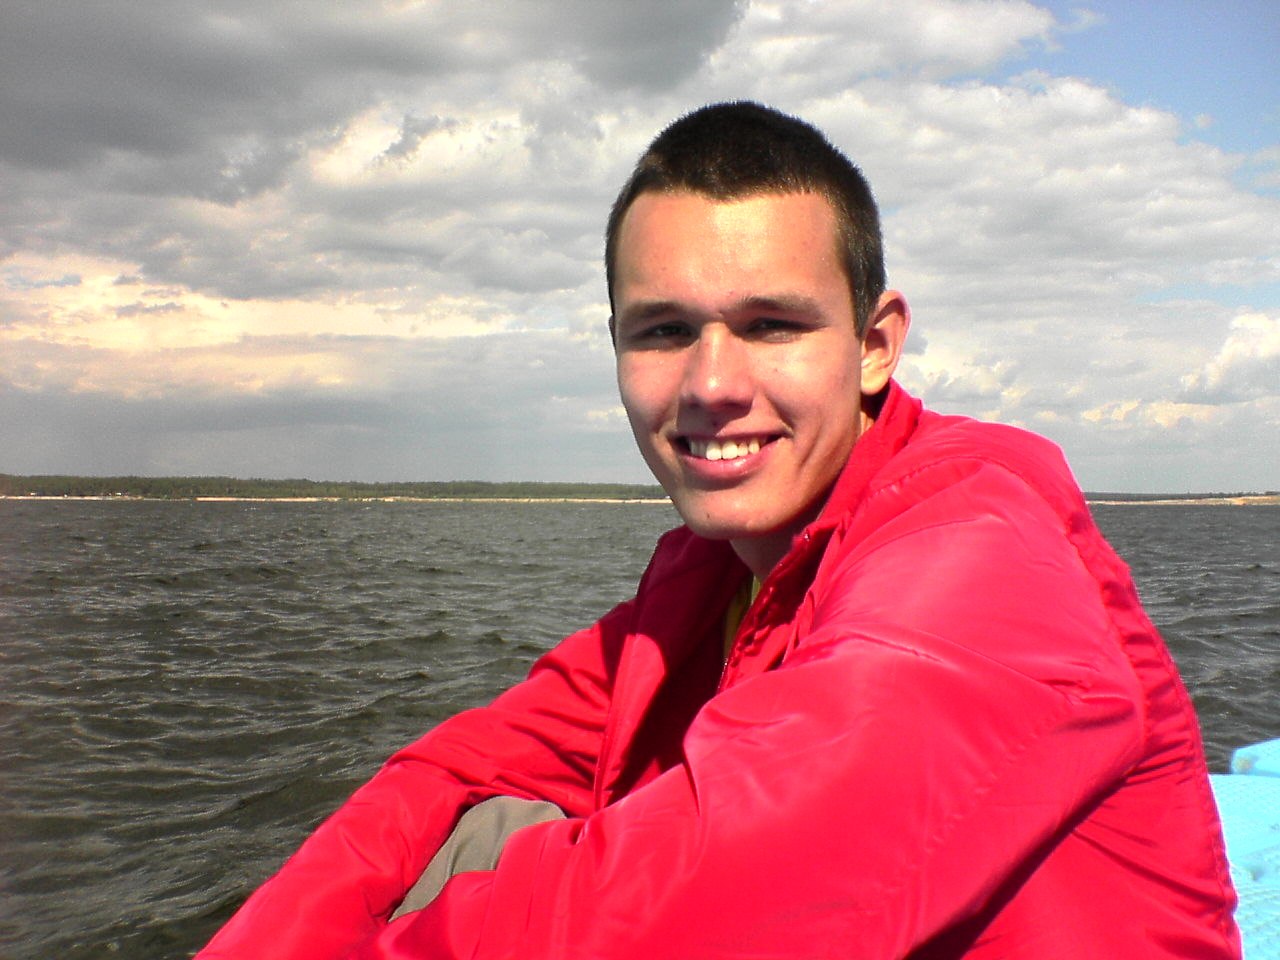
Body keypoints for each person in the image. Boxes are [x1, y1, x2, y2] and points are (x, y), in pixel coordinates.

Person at [197, 102, 1241, 959]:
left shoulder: (975, 534)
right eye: (662, 331)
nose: (710, 385)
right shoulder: (709, 577)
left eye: (770, 325)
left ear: (874, 345)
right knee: (479, 826)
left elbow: (752, 877)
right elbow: (455, 767)